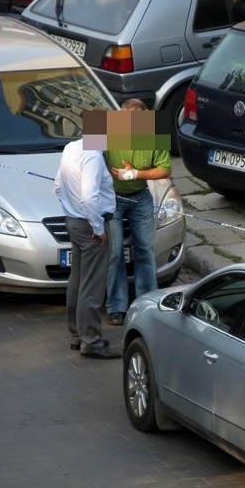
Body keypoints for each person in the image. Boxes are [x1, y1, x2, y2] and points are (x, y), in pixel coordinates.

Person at [104, 99, 172, 325]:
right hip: (112, 197)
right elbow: (89, 158)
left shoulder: (154, 131)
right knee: (114, 252)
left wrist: (135, 174)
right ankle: (116, 305)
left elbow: (165, 169)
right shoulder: (106, 126)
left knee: (145, 249)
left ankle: (146, 303)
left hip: (140, 196)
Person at [55, 137, 119, 359]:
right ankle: (91, 341)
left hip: (73, 220)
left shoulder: (71, 148)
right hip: (90, 225)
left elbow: (58, 184)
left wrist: (70, 209)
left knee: (78, 278)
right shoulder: (92, 155)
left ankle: (76, 335)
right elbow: (89, 195)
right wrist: (98, 227)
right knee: (92, 285)